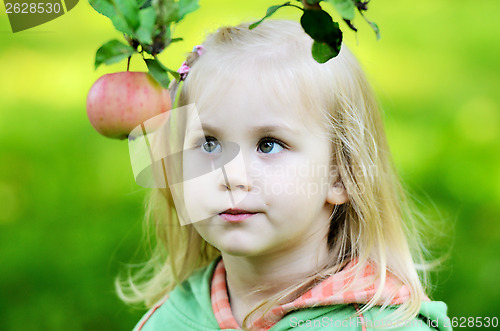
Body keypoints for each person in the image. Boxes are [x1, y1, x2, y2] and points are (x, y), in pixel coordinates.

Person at [120, 20, 451, 330]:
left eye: (268, 145)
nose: (231, 177)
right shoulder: (168, 322)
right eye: (209, 144)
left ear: (340, 176)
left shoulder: (385, 324)